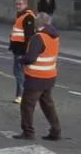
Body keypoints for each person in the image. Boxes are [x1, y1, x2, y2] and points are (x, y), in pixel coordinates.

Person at [13, 13, 62, 141]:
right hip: (49, 75)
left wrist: (21, 60)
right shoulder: (54, 36)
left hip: (36, 77)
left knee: (27, 105)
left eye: (35, 21)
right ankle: (56, 131)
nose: (34, 23)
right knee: (48, 105)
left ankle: (28, 132)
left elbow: (30, 58)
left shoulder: (38, 37)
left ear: (39, 23)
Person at [8, 0, 36, 104]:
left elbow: (29, 36)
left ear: (26, 4)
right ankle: (22, 95)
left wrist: (28, 51)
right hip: (17, 49)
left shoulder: (28, 17)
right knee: (19, 72)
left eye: (20, 4)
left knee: (19, 73)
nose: (17, 6)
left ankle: (21, 95)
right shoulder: (21, 15)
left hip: (22, 50)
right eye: (16, 4)